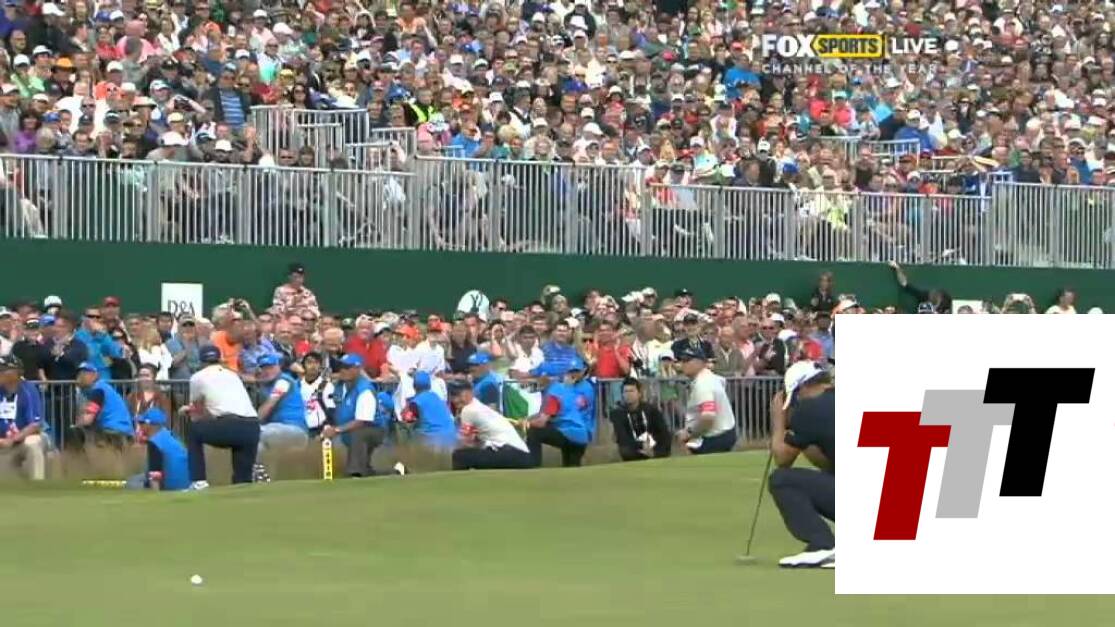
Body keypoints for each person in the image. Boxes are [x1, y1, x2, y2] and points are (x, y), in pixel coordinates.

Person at [766, 360, 835, 569]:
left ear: (800, 389)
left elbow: (782, 459)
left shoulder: (809, 409)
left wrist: (779, 420)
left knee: (782, 480)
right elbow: (829, 464)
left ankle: (822, 545)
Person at [183, 345, 261, 489]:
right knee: (243, 482)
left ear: (201, 361)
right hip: (252, 426)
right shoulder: (232, 375)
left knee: (193, 431)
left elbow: (198, 412)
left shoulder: (197, 377)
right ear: (219, 359)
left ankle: (198, 481)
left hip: (228, 424)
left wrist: (186, 410)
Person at [325, 354, 399, 477]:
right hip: (347, 430)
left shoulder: (365, 390)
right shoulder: (338, 387)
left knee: (359, 432)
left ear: (358, 369)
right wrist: (329, 429)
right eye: (340, 367)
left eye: (347, 367)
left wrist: (336, 430)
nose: (342, 370)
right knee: (367, 470)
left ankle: (354, 472)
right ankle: (395, 472)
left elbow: (362, 421)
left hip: (373, 431)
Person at [449, 382, 532, 471]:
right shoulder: (477, 405)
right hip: (521, 456)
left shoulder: (468, 410)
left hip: (513, 453)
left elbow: (465, 443)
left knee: (460, 456)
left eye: (459, 395)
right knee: (474, 454)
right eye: (453, 396)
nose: (456, 400)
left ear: (470, 393)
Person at [527, 359, 592, 467]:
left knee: (533, 432)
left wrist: (527, 423)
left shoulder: (554, 392)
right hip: (580, 436)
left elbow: (542, 422)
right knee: (571, 470)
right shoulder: (568, 390)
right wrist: (528, 419)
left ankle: (533, 466)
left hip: (568, 433)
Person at [674, 346, 737, 454]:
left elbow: (708, 417)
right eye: (682, 360)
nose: (683, 364)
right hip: (726, 431)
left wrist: (688, 433)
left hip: (715, 437)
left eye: (687, 360)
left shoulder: (702, 384)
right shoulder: (711, 377)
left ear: (700, 362)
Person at [0, 354, 52, 480]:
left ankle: (37, 483)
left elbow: (35, 425)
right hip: (3, 442)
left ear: (15, 373)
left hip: (25, 438)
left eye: (2, 370)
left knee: (32, 443)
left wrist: (12, 440)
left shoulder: (28, 389)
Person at [608, 378, 671, 461]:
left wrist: (654, 451)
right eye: (626, 391)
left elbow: (663, 432)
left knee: (664, 443)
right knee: (625, 449)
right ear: (622, 394)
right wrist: (641, 444)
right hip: (633, 448)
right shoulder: (618, 414)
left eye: (631, 391)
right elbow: (622, 437)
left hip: (652, 445)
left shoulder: (651, 410)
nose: (628, 394)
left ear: (639, 394)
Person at [74, 361, 135, 447]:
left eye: (85, 373)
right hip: (121, 430)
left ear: (95, 375)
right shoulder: (100, 388)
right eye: (79, 374)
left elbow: (87, 420)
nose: (80, 377)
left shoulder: (98, 390)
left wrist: (77, 424)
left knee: (76, 432)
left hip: (116, 431)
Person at [400, 371, 458, 451]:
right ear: (430, 385)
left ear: (414, 386)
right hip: (451, 435)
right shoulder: (436, 397)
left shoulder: (416, 401)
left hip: (432, 439)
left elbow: (406, 418)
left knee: (406, 431)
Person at [136, 407, 190, 491]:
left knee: (132, 482)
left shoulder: (154, 443)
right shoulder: (172, 436)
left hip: (170, 488)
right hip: (187, 485)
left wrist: (156, 496)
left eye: (141, 423)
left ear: (149, 425)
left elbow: (155, 475)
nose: (140, 426)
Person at [299, 352, 334, 438]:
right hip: (300, 429)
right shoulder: (297, 385)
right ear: (303, 366)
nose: (313, 366)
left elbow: (331, 409)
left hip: (320, 429)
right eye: (309, 362)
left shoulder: (326, 385)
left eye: (316, 363)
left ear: (320, 366)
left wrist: (327, 427)